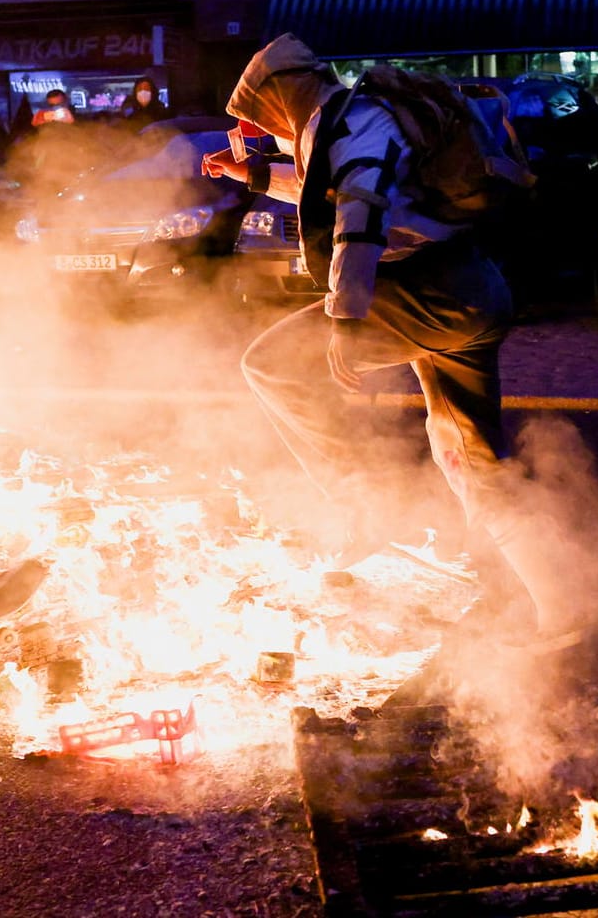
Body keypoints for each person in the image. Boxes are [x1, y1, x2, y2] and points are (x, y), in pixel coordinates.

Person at [201, 33, 543, 658]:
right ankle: (544, 602)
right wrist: (249, 172)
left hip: (433, 290)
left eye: (259, 112)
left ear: (281, 96)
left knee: (273, 366)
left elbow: (359, 219)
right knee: (468, 455)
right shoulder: (350, 123)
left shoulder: (358, 124)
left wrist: (345, 317)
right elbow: (320, 186)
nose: (260, 127)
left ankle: (365, 503)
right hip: (469, 288)